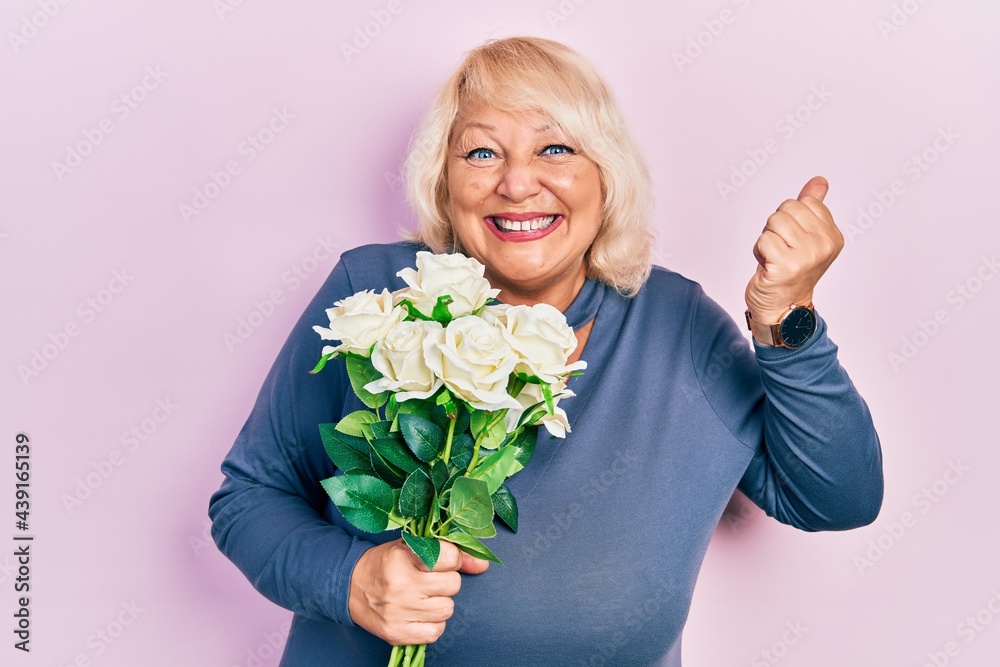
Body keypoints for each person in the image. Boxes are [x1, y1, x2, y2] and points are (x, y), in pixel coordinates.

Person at [209, 36, 884, 666]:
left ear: (606, 176)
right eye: (482, 153)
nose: (516, 183)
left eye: (555, 148)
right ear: (444, 180)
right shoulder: (375, 295)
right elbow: (249, 497)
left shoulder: (678, 325)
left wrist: (786, 317)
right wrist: (349, 580)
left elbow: (837, 497)